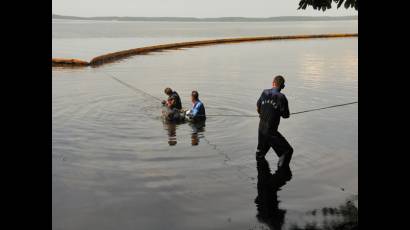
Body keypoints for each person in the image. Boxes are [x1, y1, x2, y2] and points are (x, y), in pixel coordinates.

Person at [256, 75, 293, 178]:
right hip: (271, 132)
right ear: (283, 86)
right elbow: (286, 115)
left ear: (273, 83)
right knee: (287, 151)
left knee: (260, 153)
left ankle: (262, 178)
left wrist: (264, 112)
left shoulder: (264, 92)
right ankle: (281, 176)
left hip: (261, 130)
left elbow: (258, 108)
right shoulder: (282, 97)